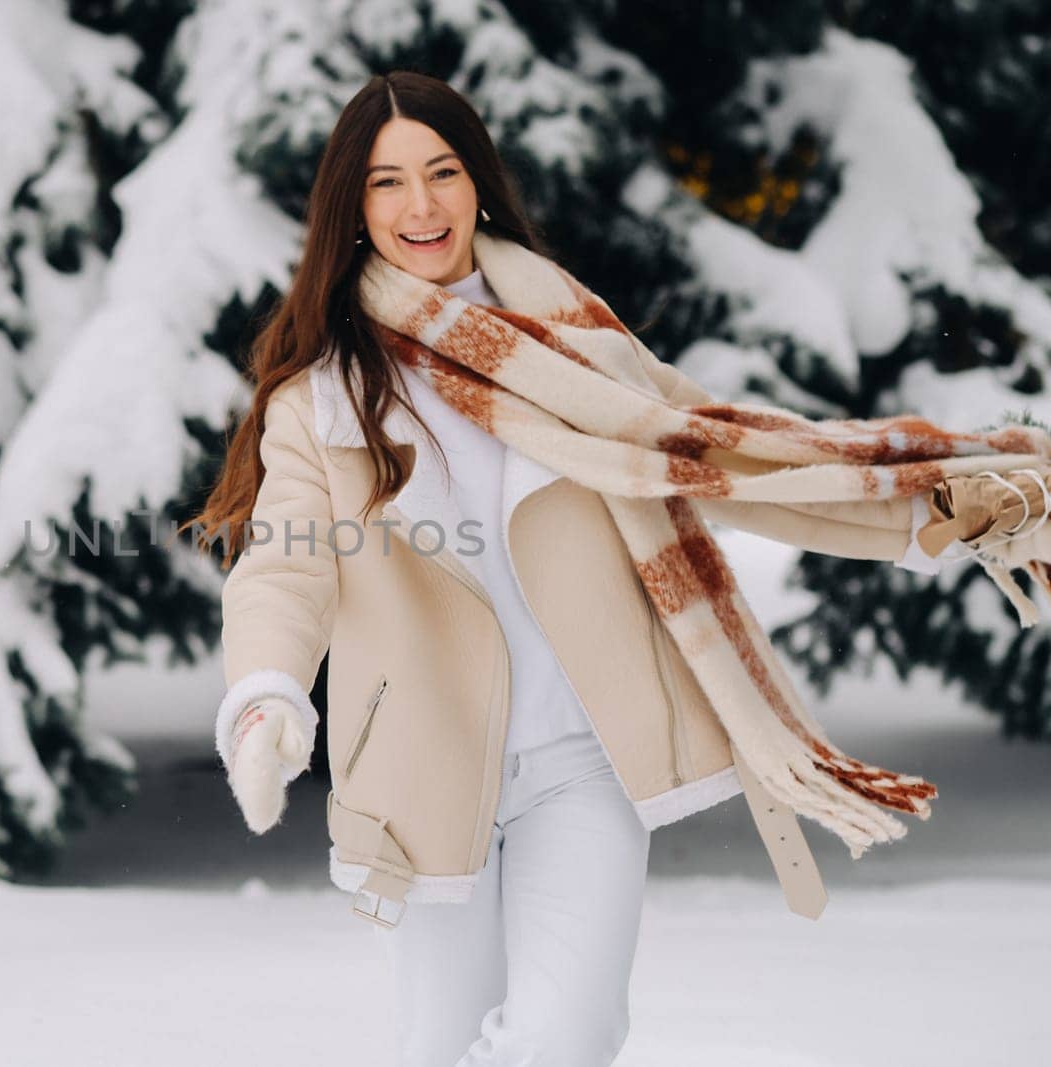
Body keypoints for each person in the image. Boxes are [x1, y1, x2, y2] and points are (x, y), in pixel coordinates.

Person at [185, 70, 1051, 1067]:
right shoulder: (321, 400)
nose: (419, 205)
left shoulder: (574, 346)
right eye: (386, 183)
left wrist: (921, 508)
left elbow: (718, 454)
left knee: (566, 1036)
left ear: (479, 184)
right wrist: (265, 697)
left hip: (579, 753)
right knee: (438, 1042)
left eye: (442, 171)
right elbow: (285, 570)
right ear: (351, 207)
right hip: (420, 762)